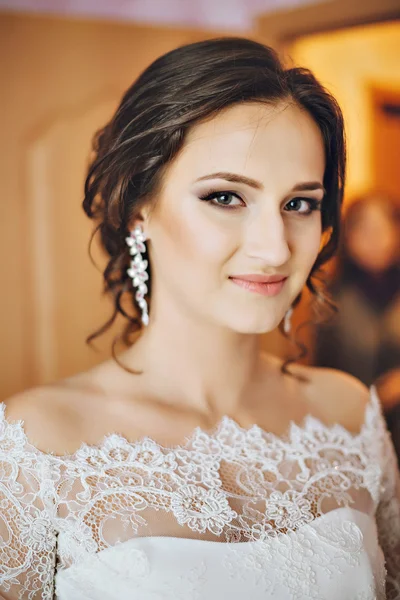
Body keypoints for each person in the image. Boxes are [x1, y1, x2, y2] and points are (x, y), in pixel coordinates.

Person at [0, 38, 399, 600]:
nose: (274, 248)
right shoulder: (37, 447)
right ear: (139, 206)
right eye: (226, 197)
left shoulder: (349, 417)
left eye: (299, 204)